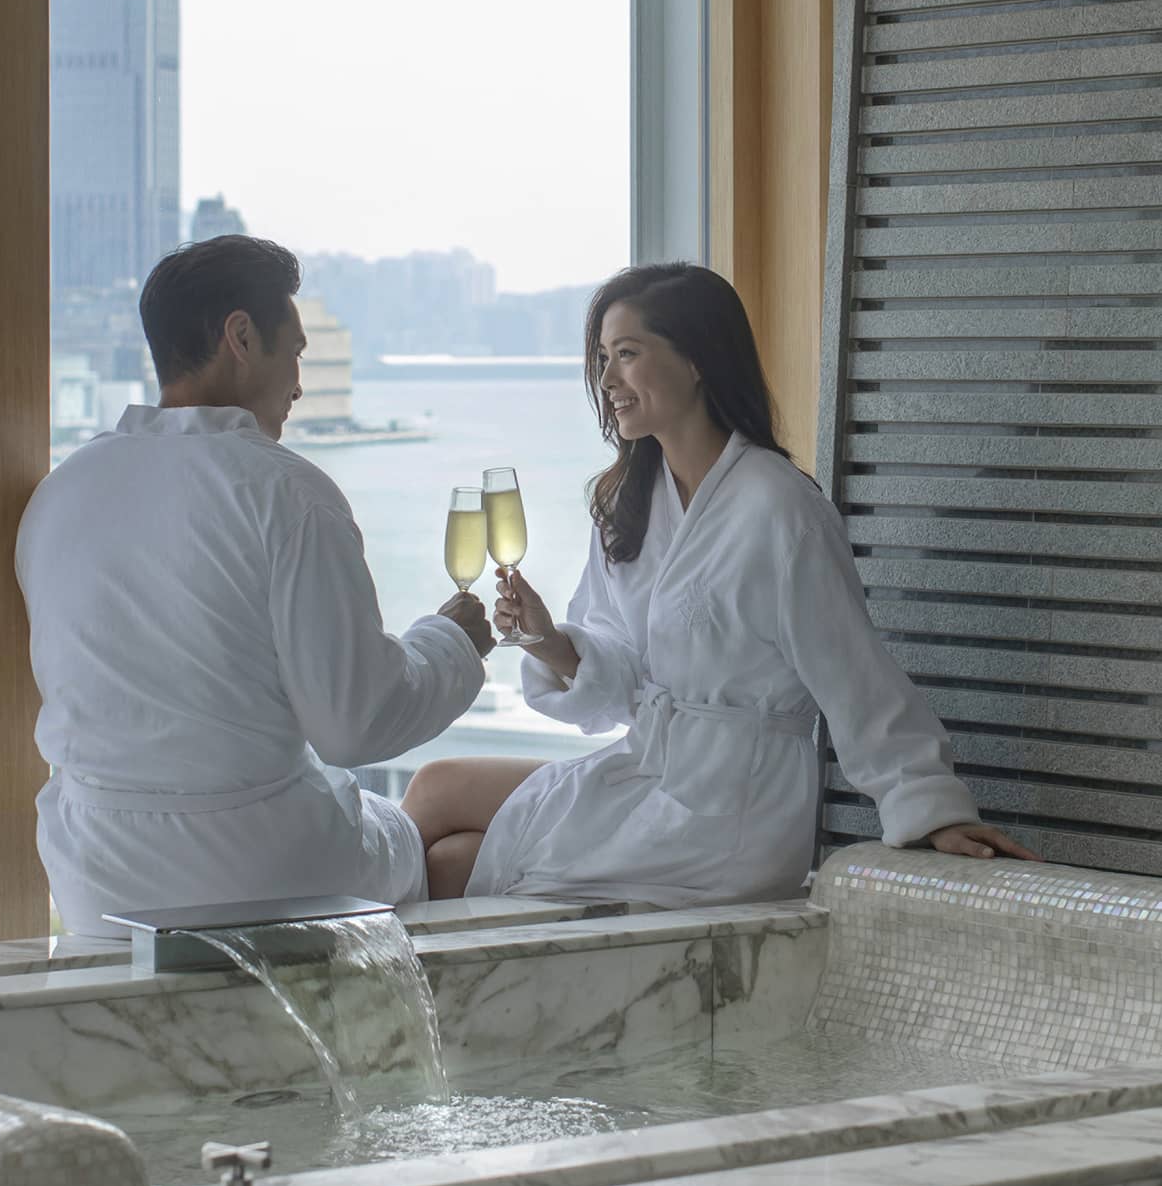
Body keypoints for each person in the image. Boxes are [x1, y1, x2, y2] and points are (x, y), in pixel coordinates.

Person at [401, 263, 1037, 903]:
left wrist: (932, 808)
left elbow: (855, 678)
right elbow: (620, 685)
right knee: (447, 839)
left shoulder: (781, 509)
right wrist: (544, 639)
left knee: (443, 821)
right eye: (601, 358)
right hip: (652, 772)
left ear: (697, 359)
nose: (607, 380)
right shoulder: (631, 501)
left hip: (734, 806)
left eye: (627, 354)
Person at [16, 235, 492, 934]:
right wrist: (452, 642)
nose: (300, 383)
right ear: (241, 336)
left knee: (412, 820)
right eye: (295, 351)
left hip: (98, 877)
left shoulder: (60, 495)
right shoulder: (287, 494)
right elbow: (355, 722)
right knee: (454, 849)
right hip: (259, 873)